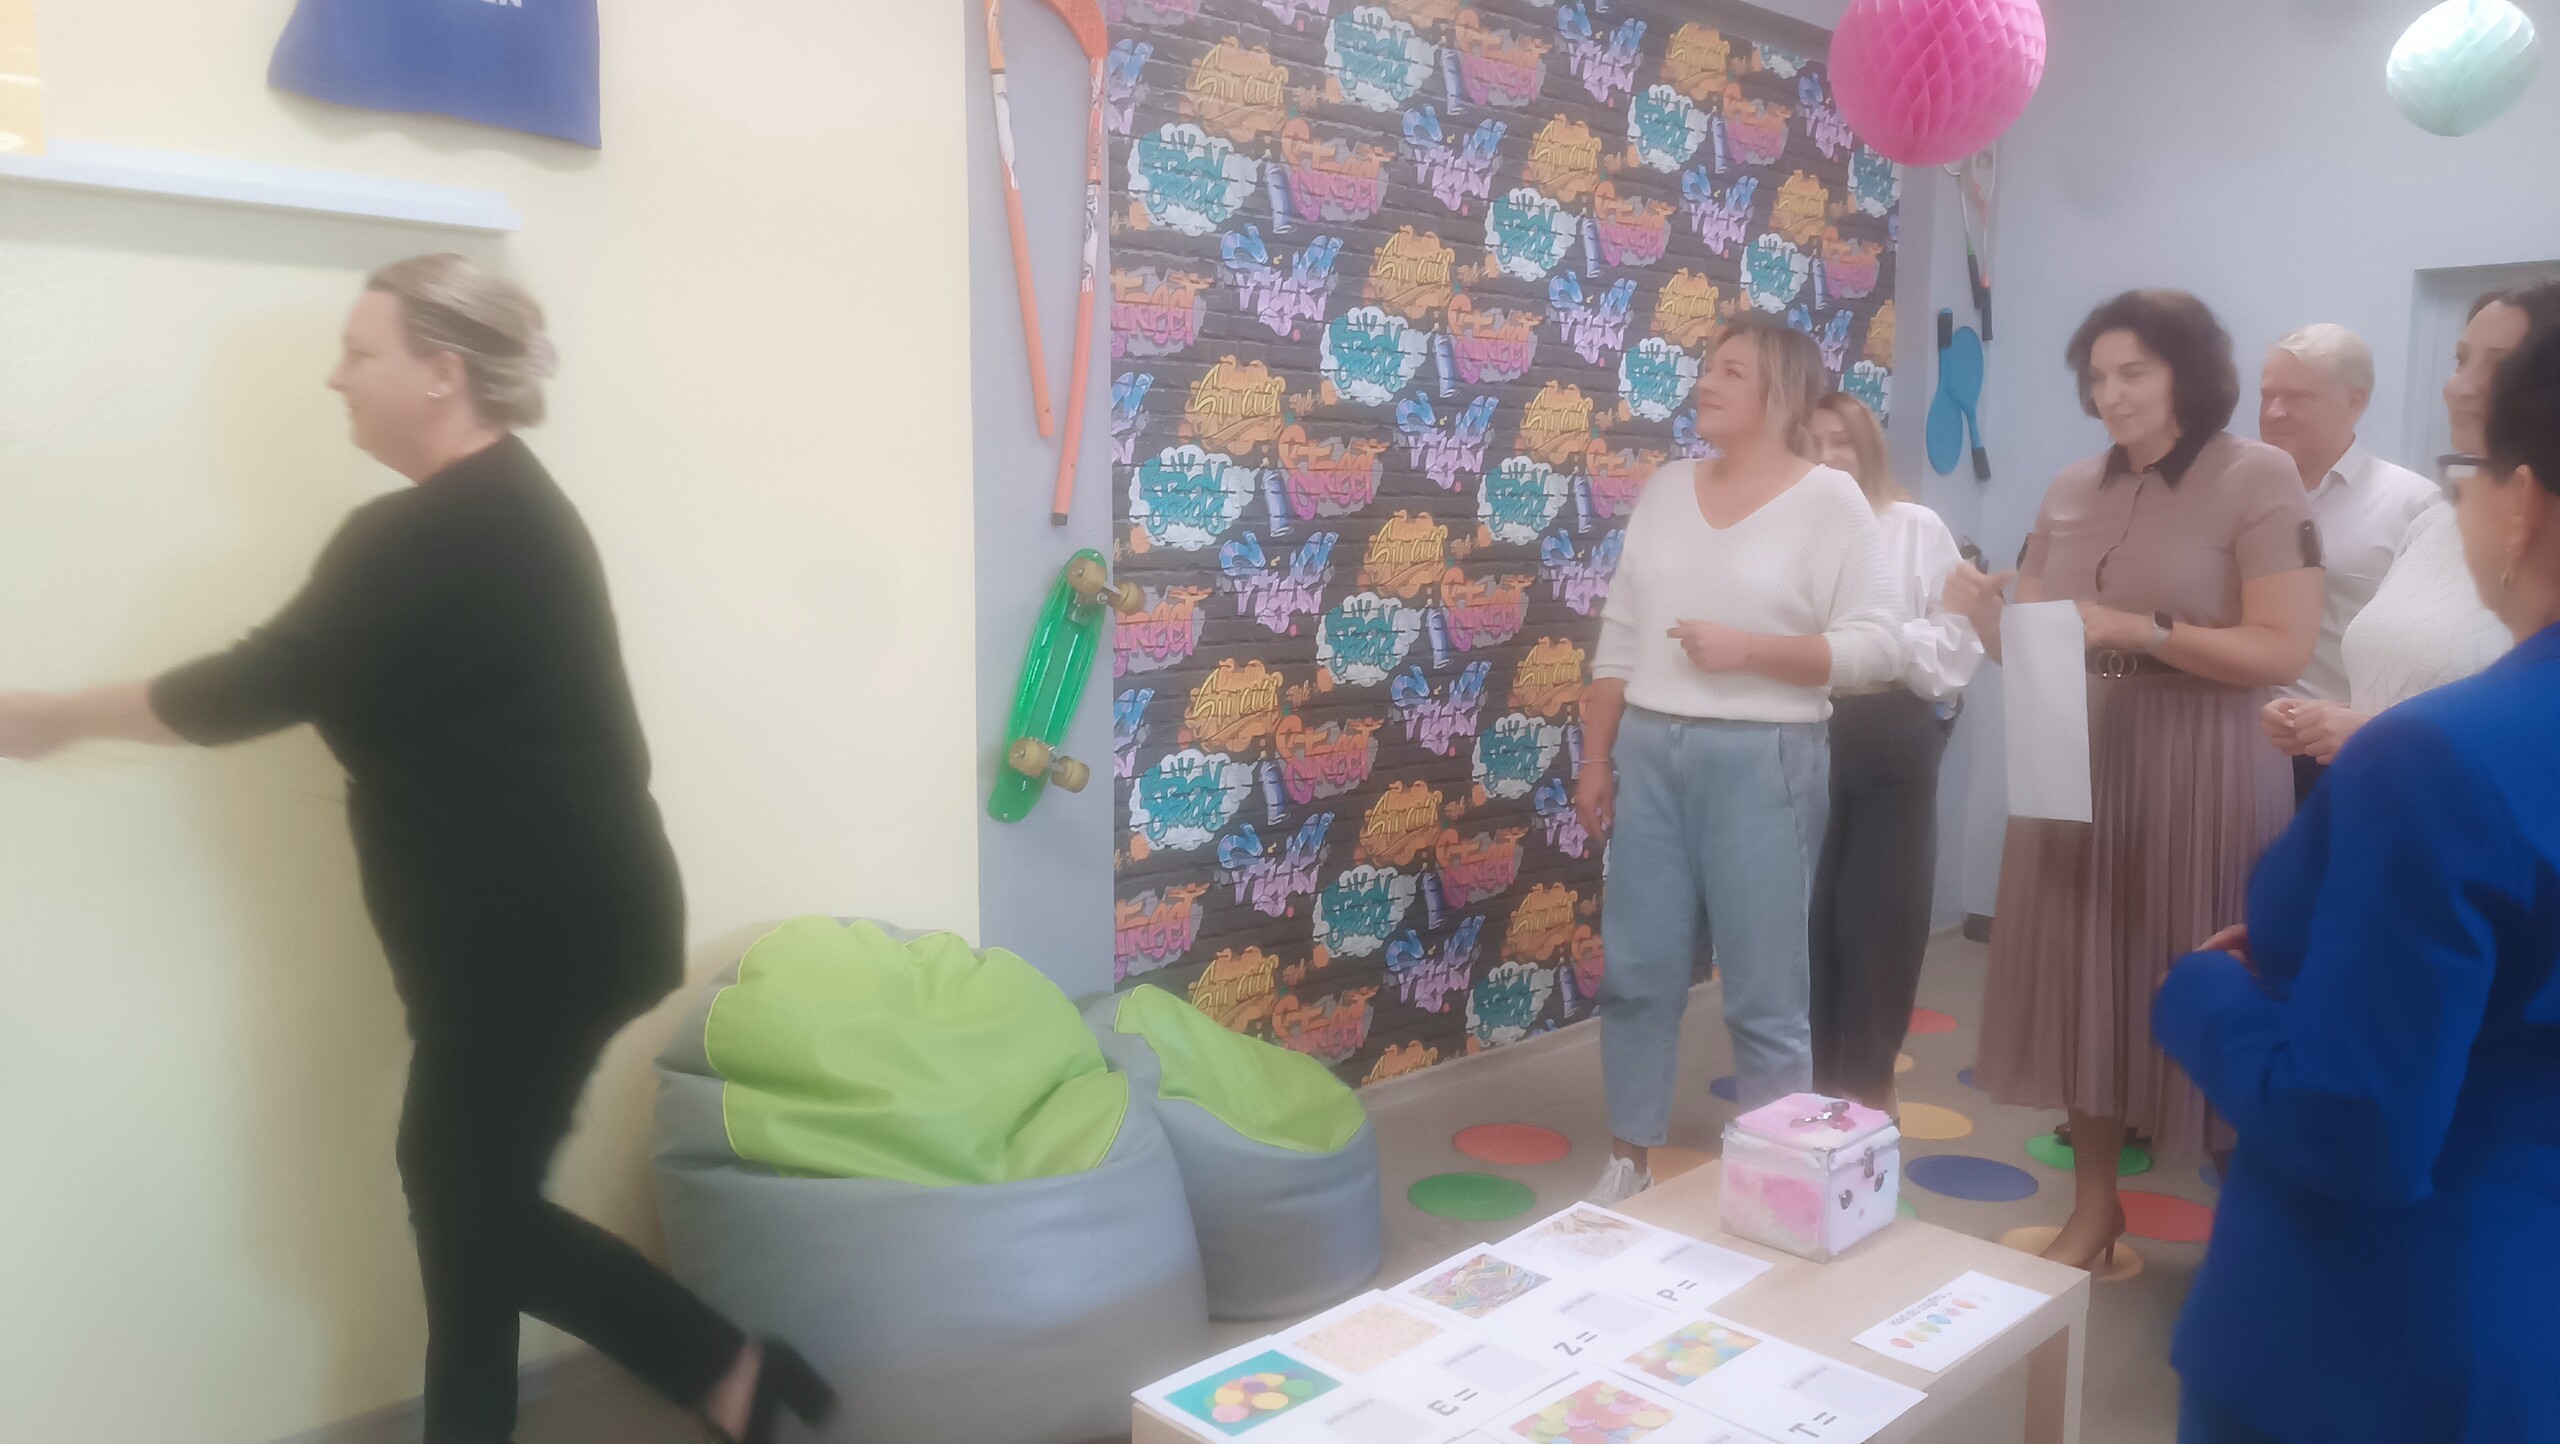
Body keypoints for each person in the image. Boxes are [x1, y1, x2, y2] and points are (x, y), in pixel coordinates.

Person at [0, 256, 836, 1444]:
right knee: (468, 1208)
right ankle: (604, 1402)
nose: (336, 377)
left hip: (534, 942)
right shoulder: (502, 505)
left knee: (467, 1211)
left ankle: (730, 1370)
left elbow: (250, 687)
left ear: (442, 373)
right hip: (554, 928)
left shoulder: (437, 531)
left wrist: (51, 718)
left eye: (359, 350)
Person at [2156, 321, 2560, 1444]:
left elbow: (2358, 1126)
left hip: (2387, 1323)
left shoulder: (2439, 756)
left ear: (2522, 506)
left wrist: (2204, 995)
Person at [1945, 290, 2321, 1270]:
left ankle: (2255, 1229)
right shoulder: (2069, 488)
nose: (2109, 394)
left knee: (2205, 970)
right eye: (2097, 376)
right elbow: (2030, 643)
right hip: (2075, 751)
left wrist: (2144, 630)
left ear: (2188, 374)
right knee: (2086, 980)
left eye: (2133, 373)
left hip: (2204, 757)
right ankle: (2095, 1206)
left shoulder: (2258, 475)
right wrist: (1979, 615)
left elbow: (2283, 646)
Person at [1575, 317, 1905, 1206]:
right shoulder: (1667, 488)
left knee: (1764, 994)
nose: (1705, 384)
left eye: (1731, 371)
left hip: (1765, 759)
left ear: (1782, 393)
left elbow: (1880, 646)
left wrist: (1752, 650)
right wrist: (1596, 756)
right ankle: (1627, 1165)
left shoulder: (1830, 501)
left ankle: (1777, 1189)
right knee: (1636, 976)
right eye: (1707, 368)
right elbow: (1621, 636)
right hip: (1649, 752)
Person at [2265, 282, 2560, 768]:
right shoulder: (2437, 521)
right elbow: (2408, 687)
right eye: (2462, 360)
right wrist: (2332, 715)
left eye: (2502, 366)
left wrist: (2378, 735)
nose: (2459, 387)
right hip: (2380, 794)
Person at [1803, 392, 1981, 1114]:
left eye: (1841, 442)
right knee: (1808, 918)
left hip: (1892, 732)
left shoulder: (1915, 527)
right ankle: (1812, 1084)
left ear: (1868, 448)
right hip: (1802, 727)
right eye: (1811, 443)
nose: (1826, 458)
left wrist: (1877, 643)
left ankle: (1873, 1083)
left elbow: (1954, 651)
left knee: (1880, 918)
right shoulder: (1783, 529)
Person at [2254, 323, 2436, 801]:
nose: (2273, 412)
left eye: (2296, 397)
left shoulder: (2414, 505)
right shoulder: (2239, 495)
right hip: (2238, 741)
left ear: (2355, 401)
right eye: (2267, 395)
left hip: (2341, 752)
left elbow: (2431, 648)